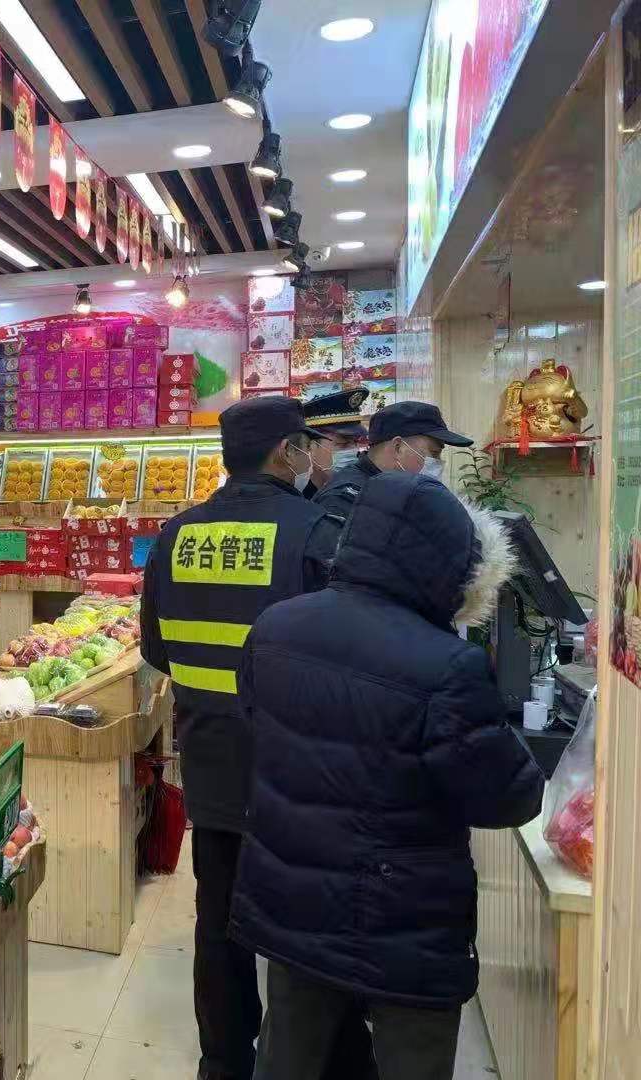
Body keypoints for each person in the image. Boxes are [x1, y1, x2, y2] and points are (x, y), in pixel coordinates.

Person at [230, 471, 545, 1080]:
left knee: (286, 1055)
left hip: (293, 899)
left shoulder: (276, 627)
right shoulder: (448, 666)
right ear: (451, 566)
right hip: (403, 924)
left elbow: (257, 723)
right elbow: (508, 798)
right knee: (412, 1061)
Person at [140, 396, 343, 1080]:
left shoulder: (176, 536)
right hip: (296, 767)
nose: (313, 456)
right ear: (286, 452)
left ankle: (223, 1062)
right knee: (298, 925)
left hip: (211, 763)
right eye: (307, 445)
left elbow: (157, 650)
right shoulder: (317, 531)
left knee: (219, 919)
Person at [314, 400, 472, 520]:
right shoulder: (345, 501)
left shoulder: (396, 490)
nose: (439, 462)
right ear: (398, 447)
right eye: (434, 453)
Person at [300, 387, 369, 498]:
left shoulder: (367, 492)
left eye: (355, 442)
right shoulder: (295, 496)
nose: (353, 451)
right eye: (343, 444)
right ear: (310, 447)